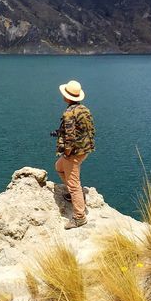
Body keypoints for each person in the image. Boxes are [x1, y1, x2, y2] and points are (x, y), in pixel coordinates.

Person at [52, 79, 95, 229]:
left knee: (74, 183)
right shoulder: (84, 109)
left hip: (74, 152)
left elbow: (70, 137)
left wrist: (68, 152)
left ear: (68, 97)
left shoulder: (69, 113)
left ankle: (79, 217)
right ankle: (74, 194)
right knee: (59, 167)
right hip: (85, 149)